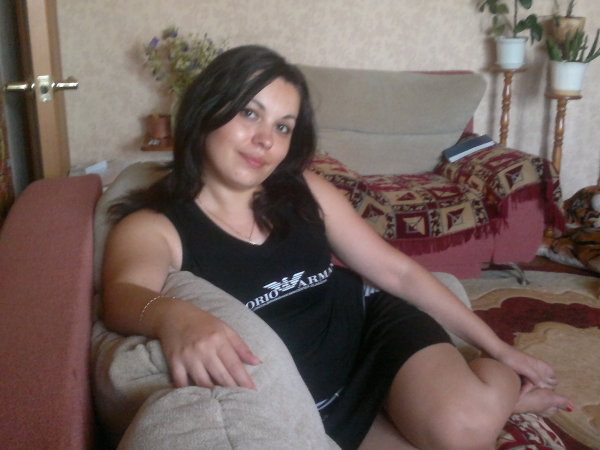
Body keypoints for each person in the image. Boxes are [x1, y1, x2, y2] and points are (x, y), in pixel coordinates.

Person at [102, 45, 572, 450]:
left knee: (463, 429)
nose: (264, 140)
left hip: (371, 333)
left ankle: (498, 386)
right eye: (249, 113)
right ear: (206, 110)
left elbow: (397, 272)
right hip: (312, 401)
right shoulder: (155, 225)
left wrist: (499, 348)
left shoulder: (303, 189)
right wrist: (175, 316)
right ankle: (468, 401)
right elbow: (122, 295)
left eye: (283, 127)